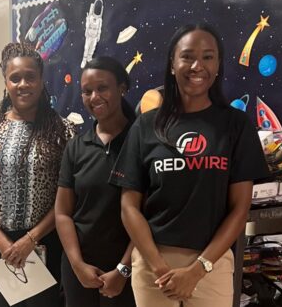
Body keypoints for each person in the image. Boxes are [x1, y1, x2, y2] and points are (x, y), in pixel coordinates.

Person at [109, 24, 269, 307]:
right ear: (172, 64)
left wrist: (198, 269)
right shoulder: (145, 126)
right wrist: (158, 268)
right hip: (152, 264)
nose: (198, 65)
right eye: (187, 56)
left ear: (218, 65)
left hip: (211, 264)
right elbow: (128, 207)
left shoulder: (236, 125)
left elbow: (240, 209)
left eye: (208, 57)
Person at [0, 42, 75, 307]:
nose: (23, 84)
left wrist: (30, 239)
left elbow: (68, 196)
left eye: (30, 77)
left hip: (45, 242)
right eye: (15, 78)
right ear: (6, 81)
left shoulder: (63, 132)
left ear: (41, 80)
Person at [55, 56, 137, 307]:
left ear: (121, 88)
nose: (94, 97)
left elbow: (151, 215)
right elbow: (63, 213)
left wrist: (123, 270)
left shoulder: (142, 142)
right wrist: (77, 265)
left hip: (129, 267)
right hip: (80, 269)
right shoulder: (77, 146)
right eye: (87, 91)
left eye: (102, 88)